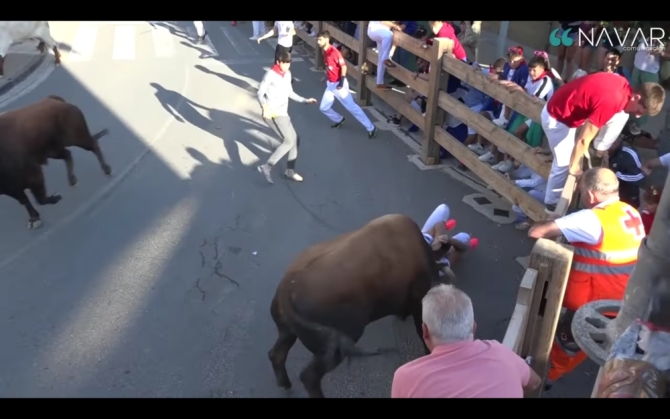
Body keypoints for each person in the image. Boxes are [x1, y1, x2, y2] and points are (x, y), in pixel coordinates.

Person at [528, 167, 645, 386]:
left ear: (591, 194)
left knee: (565, 348)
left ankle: (541, 381)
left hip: (593, 302)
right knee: (598, 344)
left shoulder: (591, 219)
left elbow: (536, 232)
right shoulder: (630, 211)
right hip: (624, 298)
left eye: (581, 191)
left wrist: (554, 223)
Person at [539, 72, 665, 212]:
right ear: (636, 97)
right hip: (557, 118)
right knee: (564, 163)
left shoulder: (623, 84)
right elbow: (583, 140)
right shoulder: (610, 102)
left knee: (622, 115)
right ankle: (551, 203)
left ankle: (600, 147)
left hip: (571, 108)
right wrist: (574, 166)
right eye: (640, 111)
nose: (637, 115)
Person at [391, 284, 542, 398]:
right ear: (474, 327)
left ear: (425, 331)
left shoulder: (406, 378)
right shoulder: (502, 354)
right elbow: (535, 382)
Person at [256, 51, 318, 184]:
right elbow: (260, 93)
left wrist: (305, 100)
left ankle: (290, 171)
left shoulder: (288, 74)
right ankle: (267, 167)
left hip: (283, 113)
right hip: (273, 113)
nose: (288, 66)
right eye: (285, 63)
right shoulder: (270, 75)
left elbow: (290, 93)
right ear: (279, 62)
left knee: (295, 139)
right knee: (290, 141)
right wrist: (265, 107)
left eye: (289, 63)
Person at [493, 51, 554, 173]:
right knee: (511, 131)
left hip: (538, 115)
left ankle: (515, 160)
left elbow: (534, 100)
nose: (531, 73)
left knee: (518, 131)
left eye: (534, 70)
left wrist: (518, 88)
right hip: (528, 111)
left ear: (542, 69)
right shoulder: (531, 78)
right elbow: (526, 91)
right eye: (530, 70)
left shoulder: (546, 81)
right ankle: (508, 160)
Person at [315, 30, 378, 139]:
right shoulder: (324, 51)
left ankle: (371, 127)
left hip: (339, 85)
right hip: (330, 84)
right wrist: (326, 77)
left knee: (352, 107)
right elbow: (329, 67)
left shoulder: (334, 52)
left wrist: (341, 82)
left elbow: (344, 67)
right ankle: (339, 119)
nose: (318, 42)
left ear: (327, 39)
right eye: (317, 39)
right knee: (323, 107)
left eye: (320, 39)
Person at [420, 204, 478, 280]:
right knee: (464, 237)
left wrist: (438, 238)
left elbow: (438, 224)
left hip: (428, 237)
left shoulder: (421, 245)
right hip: (446, 248)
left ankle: (444, 228)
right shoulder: (441, 266)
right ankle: (468, 241)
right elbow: (461, 250)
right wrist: (450, 240)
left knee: (443, 208)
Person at [604, 136, 645, 208]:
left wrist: (615, 174)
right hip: (608, 194)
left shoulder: (628, 154)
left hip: (626, 193)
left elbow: (639, 176)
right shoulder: (601, 150)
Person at [367, 21, 403, 90]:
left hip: (381, 32)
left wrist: (397, 25)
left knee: (381, 58)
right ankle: (386, 59)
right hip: (375, 29)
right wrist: (395, 26)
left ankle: (379, 83)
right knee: (389, 35)